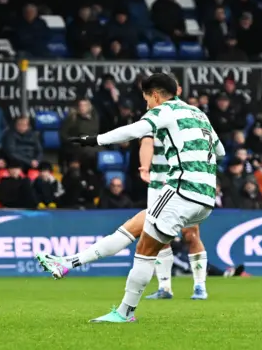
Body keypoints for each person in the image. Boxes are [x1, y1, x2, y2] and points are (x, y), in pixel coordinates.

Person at [39, 73, 225, 322]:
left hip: (181, 190)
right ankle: (68, 262)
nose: (146, 103)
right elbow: (220, 151)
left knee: (145, 249)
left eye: (147, 98)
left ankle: (125, 312)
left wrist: (94, 140)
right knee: (135, 226)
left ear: (155, 95)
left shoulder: (162, 111)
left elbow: (132, 131)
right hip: (206, 197)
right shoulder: (198, 114)